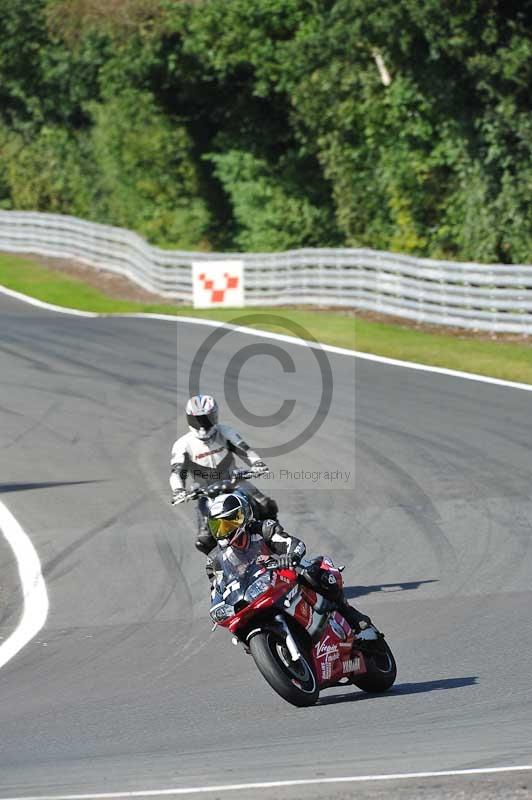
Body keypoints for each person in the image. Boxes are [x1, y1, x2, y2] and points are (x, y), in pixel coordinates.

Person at [207, 491, 372, 634]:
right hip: (251, 594)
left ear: (242, 516)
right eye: (218, 527)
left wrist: (291, 556)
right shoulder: (215, 558)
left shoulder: (263, 529)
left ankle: (349, 613)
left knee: (314, 573)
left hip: (281, 577)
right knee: (236, 622)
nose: (224, 531)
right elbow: (217, 589)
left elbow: (292, 544)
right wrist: (217, 606)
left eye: (228, 524)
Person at [170, 394, 279, 555]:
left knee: (267, 506)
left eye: (206, 418)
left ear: (215, 416)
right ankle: (219, 569)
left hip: (234, 481)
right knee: (204, 540)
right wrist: (178, 490)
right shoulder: (183, 445)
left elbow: (245, 450)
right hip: (205, 491)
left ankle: (277, 541)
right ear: (189, 419)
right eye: (198, 419)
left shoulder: (226, 431)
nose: (202, 424)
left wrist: (257, 463)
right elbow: (176, 471)